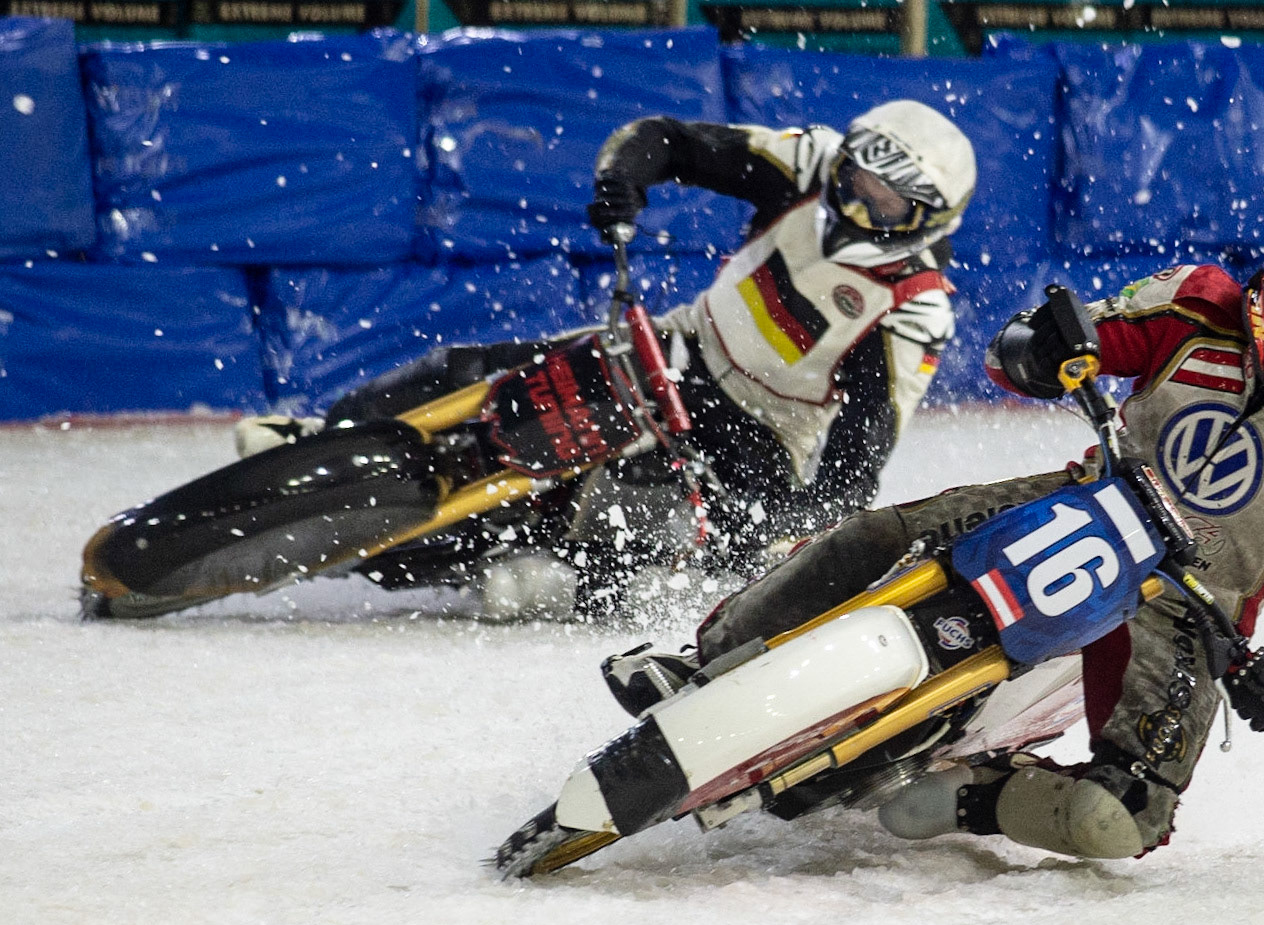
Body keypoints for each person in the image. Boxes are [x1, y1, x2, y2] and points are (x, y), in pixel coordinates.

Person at [605, 203, 1264, 860]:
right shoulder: (1194, 302)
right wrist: (1042, 345)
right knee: (875, 537)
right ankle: (704, 660)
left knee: (1120, 820)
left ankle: (983, 794)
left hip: (1190, 607)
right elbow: (1058, 344)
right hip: (1085, 502)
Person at [235, 100, 977, 619]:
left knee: (649, 525)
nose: (853, 204)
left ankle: (564, 579)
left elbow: (861, 452)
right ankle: (321, 436)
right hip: (680, 343)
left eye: (882, 203)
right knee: (470, 370)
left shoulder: (916, 306)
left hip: (763, 431)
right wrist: (625, 180)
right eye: (854, 182)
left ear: (927, 219)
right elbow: (672, 141)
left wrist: (796, 524)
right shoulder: (811, 159)